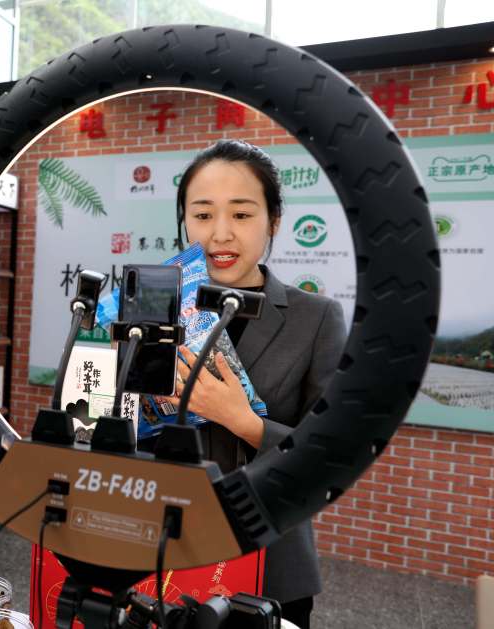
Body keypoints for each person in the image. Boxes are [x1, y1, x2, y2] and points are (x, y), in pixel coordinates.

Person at [165, 139, 346, 629]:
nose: (220, 233)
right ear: (185, 221)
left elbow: (329, 460)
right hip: (163, 551)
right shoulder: (157, 307)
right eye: (203, 215)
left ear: (274, 221)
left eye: (242, 214)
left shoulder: (316, 318)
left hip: (269, 566)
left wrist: (245, 421)